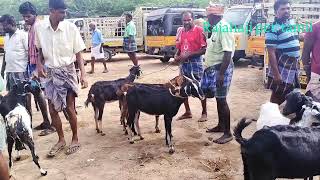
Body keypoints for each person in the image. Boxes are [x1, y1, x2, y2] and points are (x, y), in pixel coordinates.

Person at [35, 0, 88, 157]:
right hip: (51, 73)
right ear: (51, 11)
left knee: (69, 108)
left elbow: (79, 54)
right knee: (52, 110)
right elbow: (39, 50)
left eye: (65, 12)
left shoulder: (70, 28)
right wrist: (39, 66)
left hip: (68, 72)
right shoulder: (40, 28)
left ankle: (75, 138)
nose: (64, 15)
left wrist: (83, 75)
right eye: (61, 12)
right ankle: (61, 139)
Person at [19, 1, 56, 136]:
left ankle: (53, 124)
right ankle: (47, 121)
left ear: (35, 14)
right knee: (38, 93)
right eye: (24, 17)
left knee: (48, 95)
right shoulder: (31, 28)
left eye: (28, 16)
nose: (25, 19)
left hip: (40, 66)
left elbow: (41, 50)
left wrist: (37, 69)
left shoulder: (38, 27)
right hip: (33, 66)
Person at [201, 4, 235, 144]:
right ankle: (221, 126)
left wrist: (221, 74)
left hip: (222, 69)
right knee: (218, 98)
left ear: (213, 16)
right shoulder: (217, 27)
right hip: (215, 68)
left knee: (222, 100)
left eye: (208, 16)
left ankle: (228, 133)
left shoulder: (224, 28)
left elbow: (227, 52)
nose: (207, 19)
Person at [265, 0, 301, 105]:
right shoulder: (272, 28)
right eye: (283, 9)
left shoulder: (292, 23)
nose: (286, 11)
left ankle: (282, 119)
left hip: (293, 65)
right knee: (278, 95)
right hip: (282, 66)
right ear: (276, 12)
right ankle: (271, 118)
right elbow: (271, 53)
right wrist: (276, 75)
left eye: (288, 8)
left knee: (290, 95)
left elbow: (295, 38)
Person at [174, 11, 207, 122]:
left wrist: (189, 54)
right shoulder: (180, 31)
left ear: (193, 19)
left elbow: (204, 49)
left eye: (189, 19)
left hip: (196, 63)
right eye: (184, 20)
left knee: (199, 86)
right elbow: (179, 47)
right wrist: (176, 55)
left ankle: (204, 112)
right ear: (181, 20)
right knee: (182, 87)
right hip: (183, 64)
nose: (187, 22)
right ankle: (187, 111)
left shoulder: (199, 30)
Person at [0, 15, 32, 114]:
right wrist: (2, 70)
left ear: (12, 24)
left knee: (24, 100)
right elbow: (6, 54)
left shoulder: (23, 35)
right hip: (9, 73)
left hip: (21, 73)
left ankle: (28, 123)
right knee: (12, 101)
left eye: (4, 25)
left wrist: (29, 73)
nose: (2, 28)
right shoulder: (6, 37)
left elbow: (30, 55)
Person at [301, 20, 320, 102]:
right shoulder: (314, 27)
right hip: (317, 74)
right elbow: (305, 52)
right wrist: (308, 74)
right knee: (314, 104)